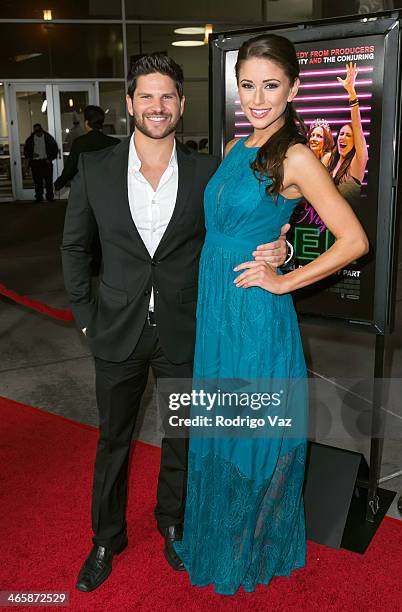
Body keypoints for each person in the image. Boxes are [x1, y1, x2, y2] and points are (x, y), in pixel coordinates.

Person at [61, 52, 289, 593]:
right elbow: (75, 247)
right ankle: (106, 538)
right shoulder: (95, 170)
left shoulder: (212, 171)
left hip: (188, 334)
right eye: (147, 96)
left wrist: (278, 252)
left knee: (181, 438)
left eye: (167, 97)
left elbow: (250, 220)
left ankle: (173, 524)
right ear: (129, 104)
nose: (157, 106)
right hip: (116, 333)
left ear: (181, 105)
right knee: (113, 440)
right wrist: (88, 322)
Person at [173, 33, 369, 595]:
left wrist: (283, 277)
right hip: (218, 310)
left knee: (252, 429)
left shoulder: (298, 155)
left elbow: (353, 240)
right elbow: (244, 224)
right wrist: (276, 243)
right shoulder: (240, 146)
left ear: (293, 88)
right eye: (248, 85)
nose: (257, 98)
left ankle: (248, 546)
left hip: (255, 315)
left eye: (270, 85)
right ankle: (219, 536)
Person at [327, 62, 369, 208]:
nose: (343, 137)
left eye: (348, 136)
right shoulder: (331, 161)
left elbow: (357, 127)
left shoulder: (357, 163)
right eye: (341, 134)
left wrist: (352, 93)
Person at [55, 106, 120, 191]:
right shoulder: (115, 143)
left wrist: (59, 183)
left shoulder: (80, 142)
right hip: (108, 187)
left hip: (86, 189)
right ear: (101, 123)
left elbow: (71, 168)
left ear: (86, 123)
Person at [24, 123, 58, 202]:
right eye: (37, 132)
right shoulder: (31, 140)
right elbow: (26, 152)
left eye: (39, 131)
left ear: (42, 130)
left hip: (45, 161)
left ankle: (49, 197)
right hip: (36, 162)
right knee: (38, 181)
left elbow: (55, 149)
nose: (38, 133)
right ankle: (40, 197)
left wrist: (50, 158)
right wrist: (32, 155)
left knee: (48, 181)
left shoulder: (47, 138)